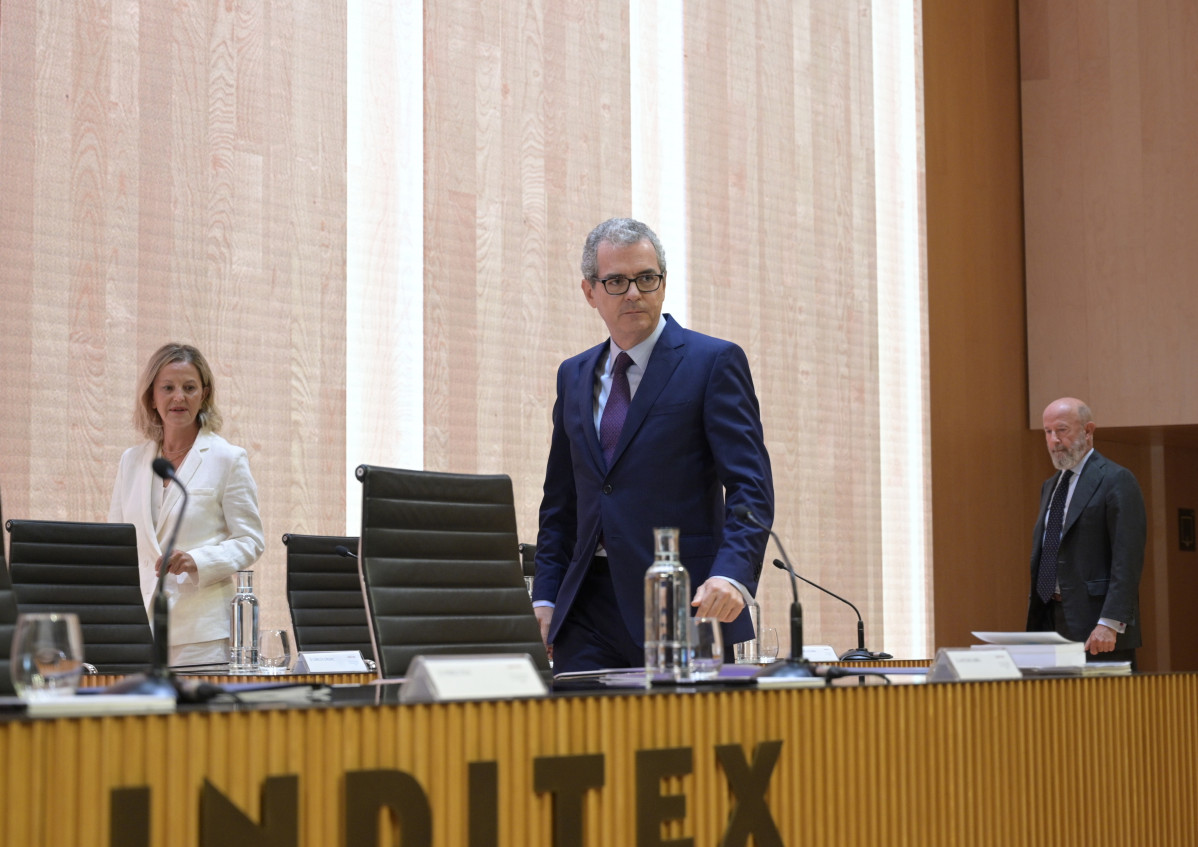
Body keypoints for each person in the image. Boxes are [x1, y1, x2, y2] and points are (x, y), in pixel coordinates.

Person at [533, 218, 774, 674]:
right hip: (586, 606)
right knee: (586, 741)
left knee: (678, 744)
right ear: (590, 292)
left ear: (663, 282)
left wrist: (732, 575)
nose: (633, 293)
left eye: (646, 278)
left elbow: (750, 486)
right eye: (616, 281)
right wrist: (545, 594)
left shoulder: (713, 363)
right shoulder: (574, 375)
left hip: (682, 605)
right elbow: (561, 503)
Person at [109, 343, 265, 667]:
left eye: (189, 387)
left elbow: (250, 540)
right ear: (152, 396)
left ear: (204, 394)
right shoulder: (132, 461)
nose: (178, 397)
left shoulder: (227, 458)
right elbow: (116, 543)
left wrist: (198, 560)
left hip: (200, 634)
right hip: (138, 630)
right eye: (167, 388)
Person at [1026, 397, 1146, 663]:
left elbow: (1127, 559)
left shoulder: (1116, 479)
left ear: (1088, 431)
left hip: (1097, 628)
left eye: (1062, 430)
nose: (1054, 440)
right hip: (1049, 618)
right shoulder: (1050, 485)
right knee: (1054, 704)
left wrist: (1110, 622)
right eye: (1048, 432)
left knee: (1104, 705)